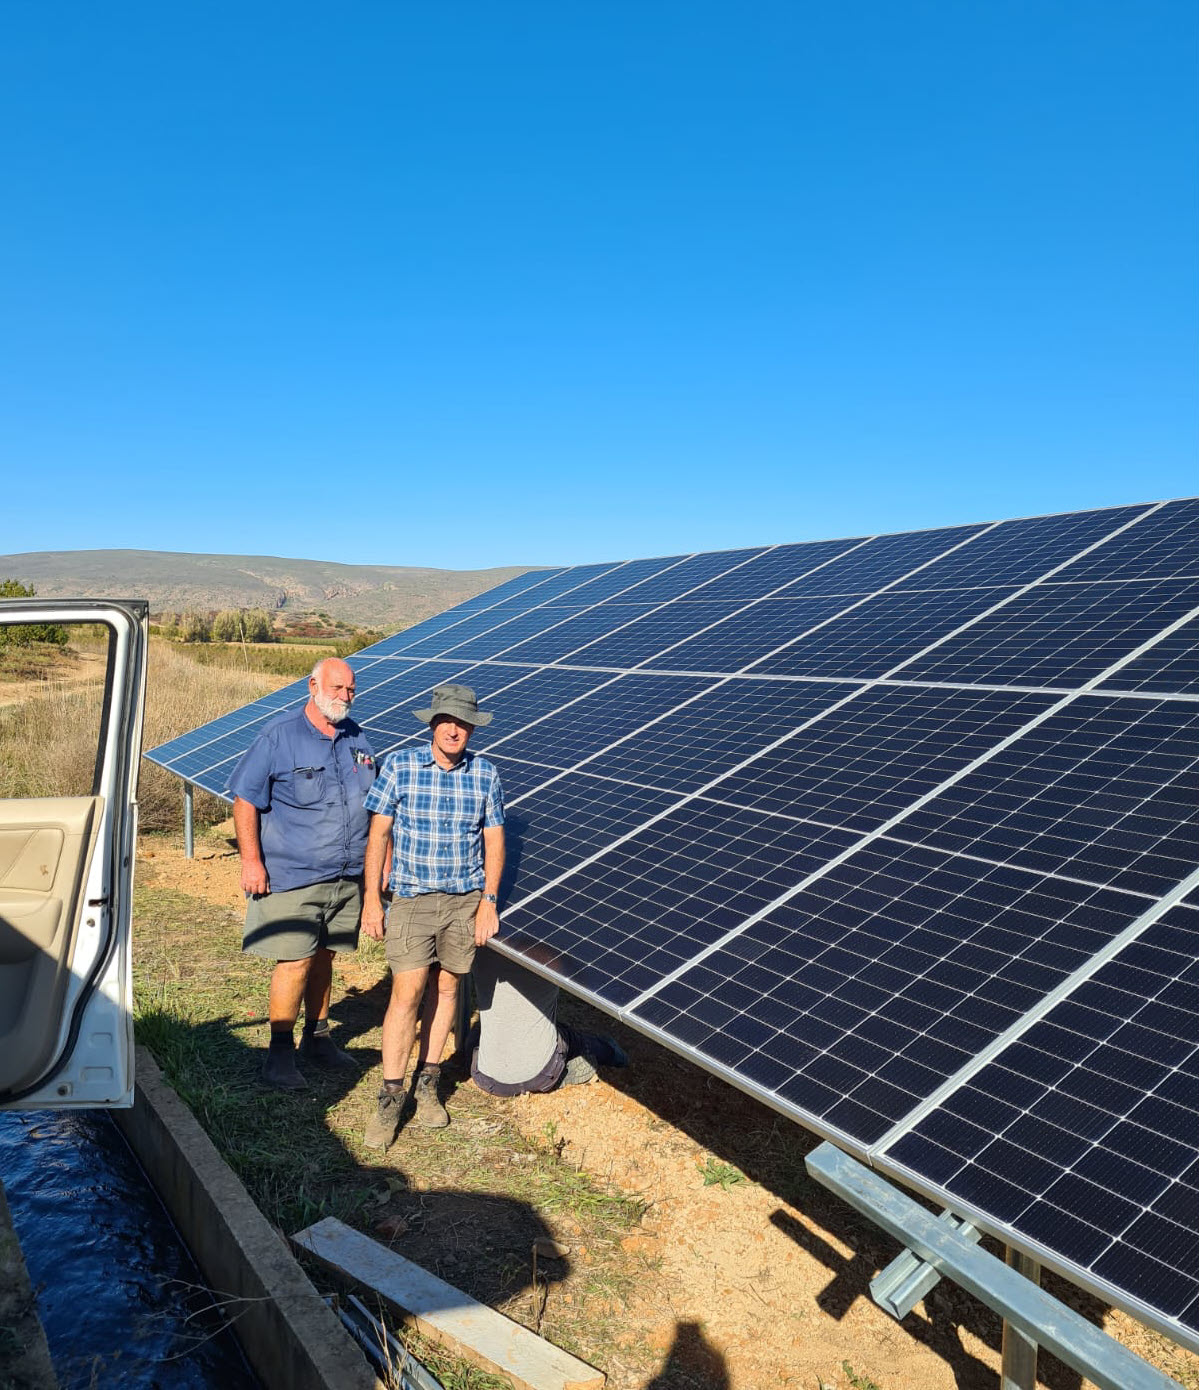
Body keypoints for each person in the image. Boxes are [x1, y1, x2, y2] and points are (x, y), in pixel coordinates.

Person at [360, 683, 505, 1147]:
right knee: (406, 992)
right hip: (411, 899)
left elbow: (494, 841)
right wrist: (370, 898)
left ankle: (428, 1084)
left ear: (471, 729)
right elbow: (378, 835)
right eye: (446, 720)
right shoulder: (401, 766)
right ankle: (390, 1096)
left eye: (462, 723)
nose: (453, 729)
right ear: (432, 723)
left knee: (447, 991)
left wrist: (489, 900)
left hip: (463, 901)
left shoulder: (485, 774)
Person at [229, 656, 376, 1089]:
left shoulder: (357, 738)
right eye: (336, 688)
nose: (344, 697)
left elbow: (373, 801)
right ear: (313, 686)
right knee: (294, 961)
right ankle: (279, 1053)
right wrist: (250, 861)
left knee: (325, 957)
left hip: (346, 876)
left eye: (350, 689)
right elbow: (245, 800)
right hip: (293, 875)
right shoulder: (280, 737)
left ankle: (318, 1036)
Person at [470, 948, 628, 1095]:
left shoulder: (477, 941)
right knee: (567, 1036)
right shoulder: (552, 952)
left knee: (485, 1027)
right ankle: (611, 1054)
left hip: (484, 1077)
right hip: (541, 1075)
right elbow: (584, 971)